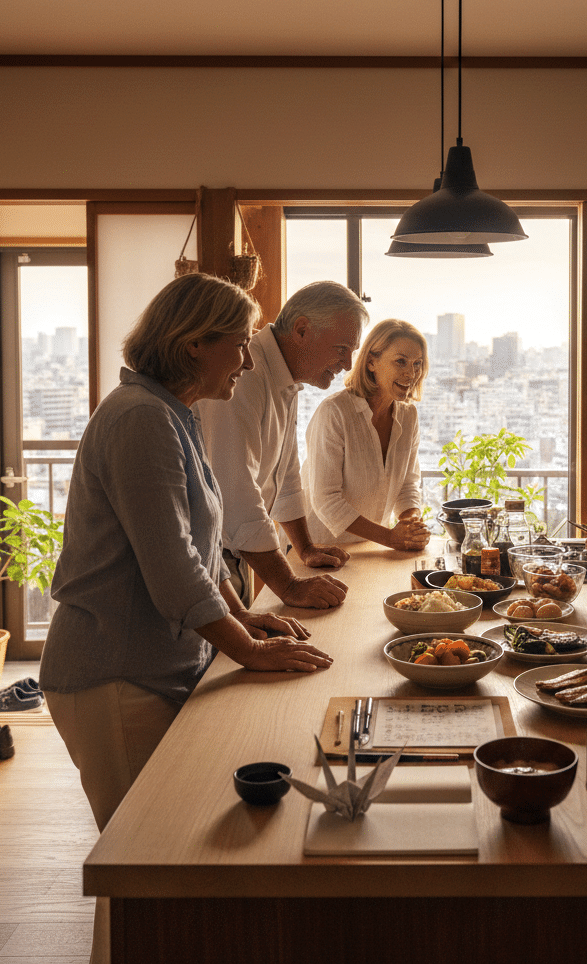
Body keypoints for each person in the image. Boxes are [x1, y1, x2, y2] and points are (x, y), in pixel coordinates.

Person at [39, 274, 333, 964]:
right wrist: (247, 651)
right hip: (113, 673)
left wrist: (246, 621)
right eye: (238, 346)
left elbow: (201, 551)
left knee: (167, 875)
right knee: (144, 873)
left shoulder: (172, 412)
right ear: (194, 344)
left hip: (155, 666)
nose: (246, 361)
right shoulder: (141, 418)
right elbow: (169, 564)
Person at [196, 281, 370, 609]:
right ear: (302, 329)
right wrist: (289, 586)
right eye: (341, 348)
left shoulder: (285, 377)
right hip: (208, 557)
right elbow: (237, 495)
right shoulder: (245, 374)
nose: (347, 364)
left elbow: (286, 474)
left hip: (234, 554)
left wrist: (304, 548)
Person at [302, 319, 432, 550]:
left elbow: (407, 484)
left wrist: (410, 523)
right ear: (371, 362)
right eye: (401, 362)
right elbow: (326, 500)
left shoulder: (408, 416)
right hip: (319, 548)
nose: (411, 374)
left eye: (417, 364)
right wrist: (390, 538)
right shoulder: (335, 412)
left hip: (370, 548)